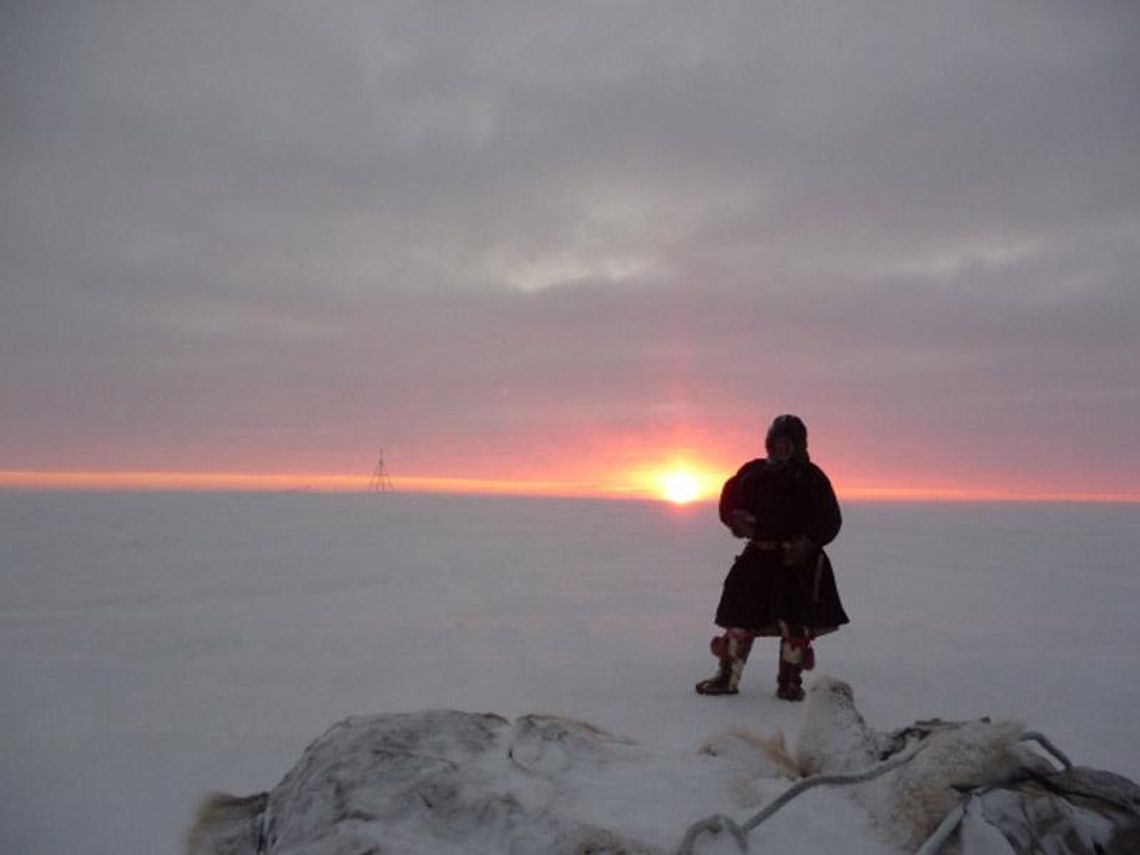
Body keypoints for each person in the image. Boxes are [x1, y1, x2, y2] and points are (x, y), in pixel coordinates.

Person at [695, 414, 849, 701]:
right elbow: (729, 500)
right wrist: (736, 519)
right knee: (739, 617)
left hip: (797, 564)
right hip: (758, 558)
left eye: (787, 443)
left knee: (795, 623)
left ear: (799, 445)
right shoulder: (753, 472)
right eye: (776, 443)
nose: (780, 449)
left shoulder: (812, 478)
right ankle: (727, 677)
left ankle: (790, 682)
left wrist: (808, 542)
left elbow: (830, 520)